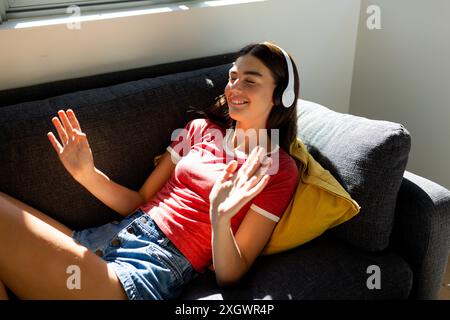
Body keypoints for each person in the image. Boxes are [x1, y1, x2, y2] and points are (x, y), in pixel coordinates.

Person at [0, 42, 300, 300]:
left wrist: (219, 217)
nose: (234, 87)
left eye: (250, 80)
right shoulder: (199, 130)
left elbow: (230, 277)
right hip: (106, 238)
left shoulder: (277, 169)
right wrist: (87, 174)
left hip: (145, 269)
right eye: (232, 77)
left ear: (280, 95)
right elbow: (141, 199)